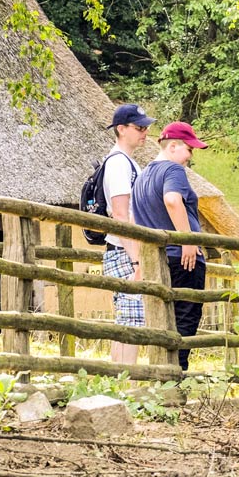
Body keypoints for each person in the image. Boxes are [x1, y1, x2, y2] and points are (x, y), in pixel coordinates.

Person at [131, 121, 208, 371]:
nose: (190, 156)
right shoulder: (173, 171)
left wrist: (141, 261)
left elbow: (135, 221)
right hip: (182, 258)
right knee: (185, 318)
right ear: (173, 146)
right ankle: (177, 374)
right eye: (189, 149)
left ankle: (162, 375)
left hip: (157, 261)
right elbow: (173, 200)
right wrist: (187, 240)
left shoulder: (142, 177)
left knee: (163, 319)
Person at [102, 104, 155, 365]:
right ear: (121, 129)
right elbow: (121, 215)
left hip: (128, 250)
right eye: (139, 127)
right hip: (125, 251)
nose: (145, 132)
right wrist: (136, 260)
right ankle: (126, 383)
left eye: (146, 127)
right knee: (131, 319)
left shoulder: (128, 162)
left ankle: (122, 383)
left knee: (130, 318)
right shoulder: (118, 164)